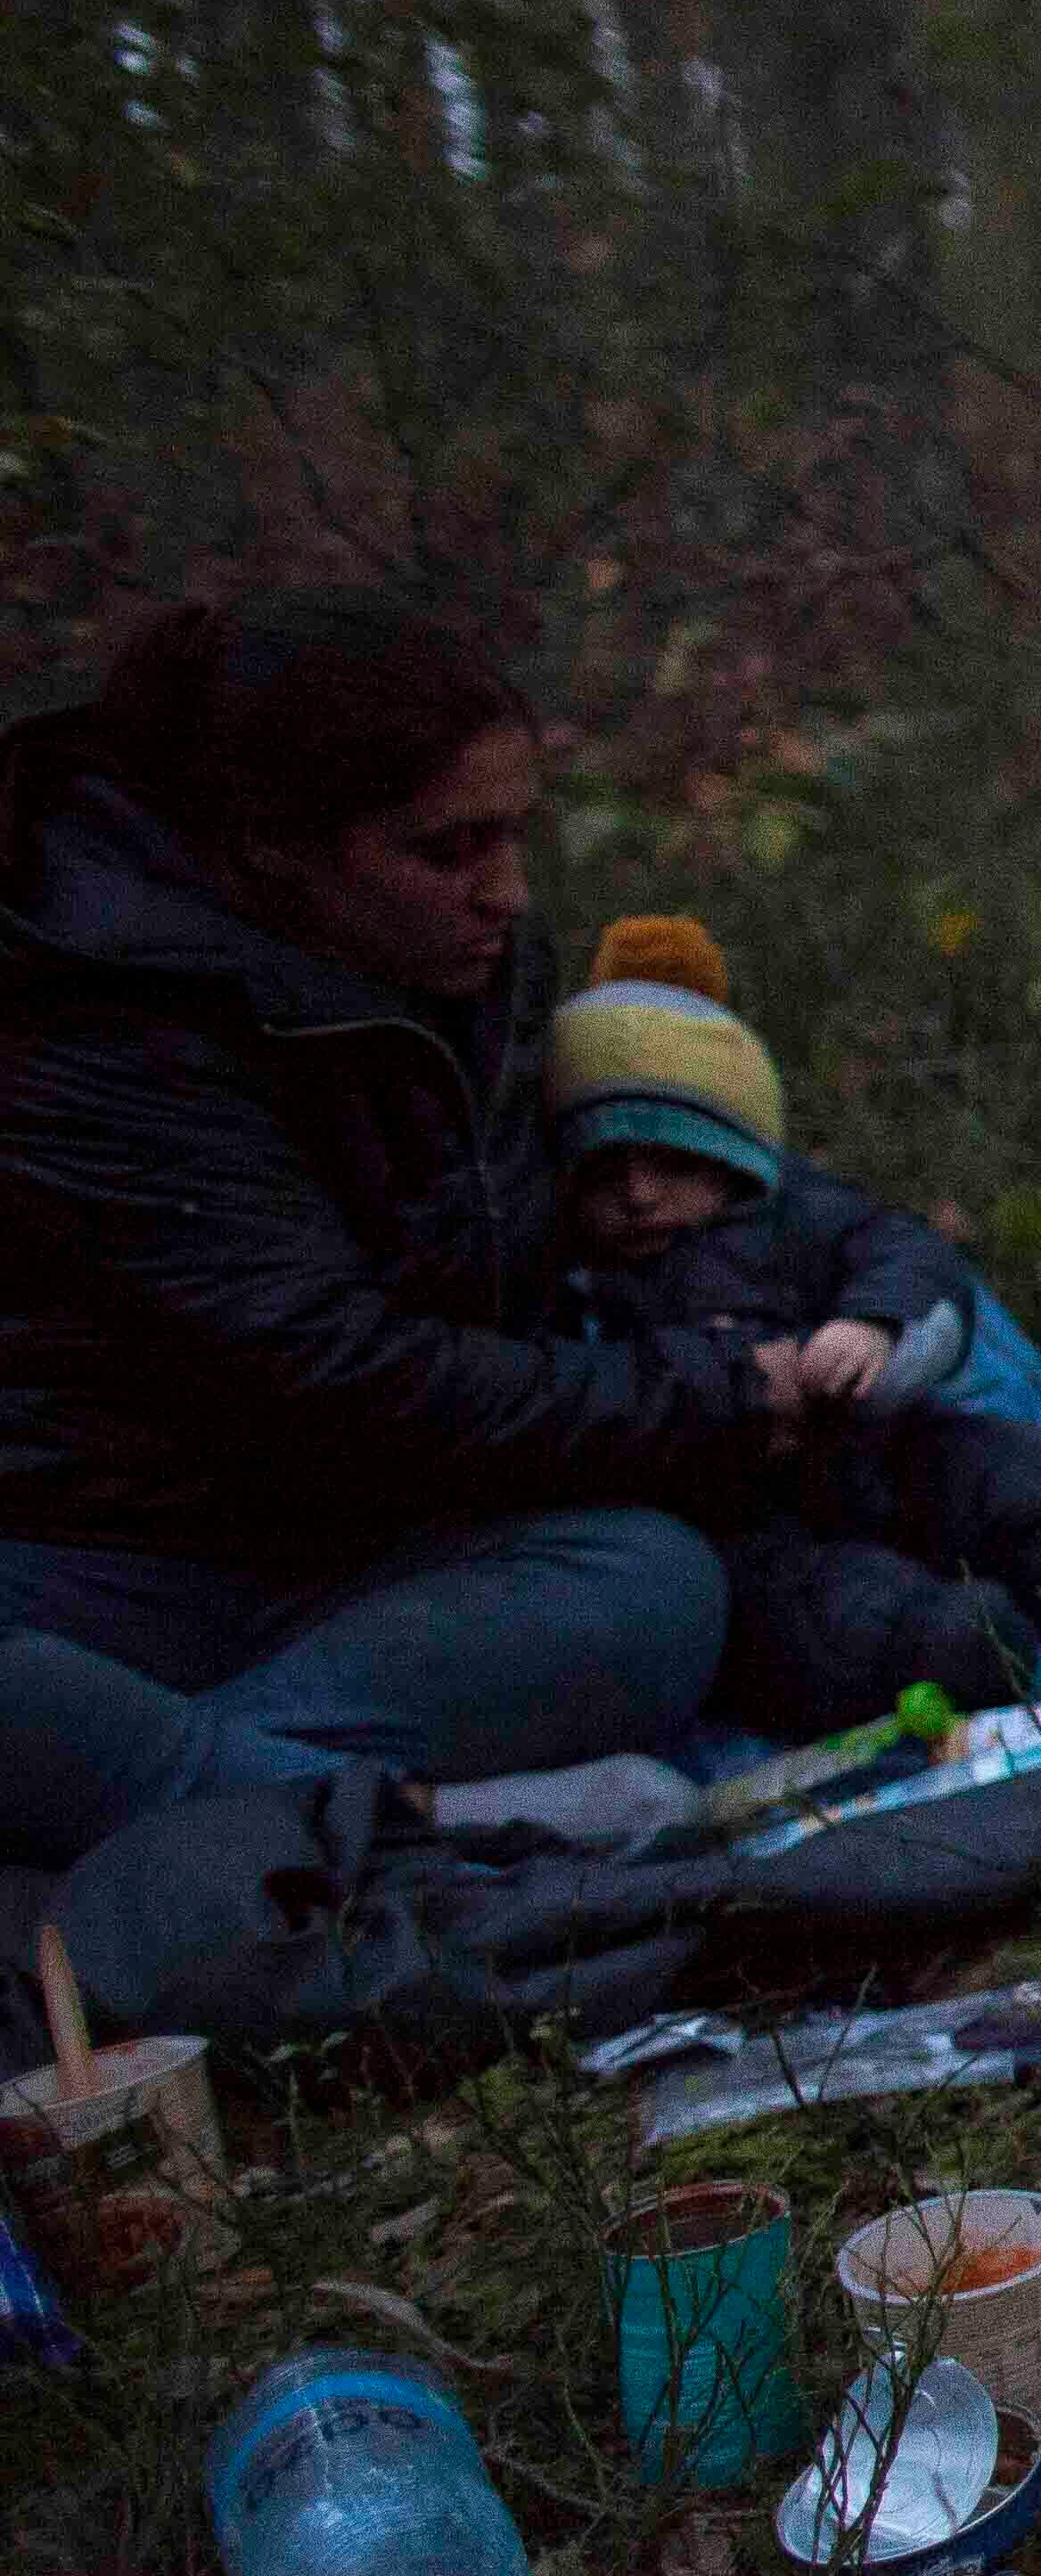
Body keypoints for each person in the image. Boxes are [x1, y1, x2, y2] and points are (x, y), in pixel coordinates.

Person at [0, 593, 813, 1870]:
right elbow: (328, 1376)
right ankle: (342, 1823)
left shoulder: (459, 973)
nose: (504, 895)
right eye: (445, 853)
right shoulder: (100, 1019)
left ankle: (157, 1804)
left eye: (512, 840)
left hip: (368, 1552)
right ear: (274, 852)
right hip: (111, 1559)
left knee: (649, 1589)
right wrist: (694, 1399)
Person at [543, 915, 1041, 1743]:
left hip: (881, 1443)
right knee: (832, 1622)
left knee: (1015, 1477)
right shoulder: (567, 1283)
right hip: (748, 1530)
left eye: (671, 1162)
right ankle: (990, 1669)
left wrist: (873, 1328)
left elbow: (902, 1251)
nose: (638, 1195)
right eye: (606, 1171)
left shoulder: (787, 1211)